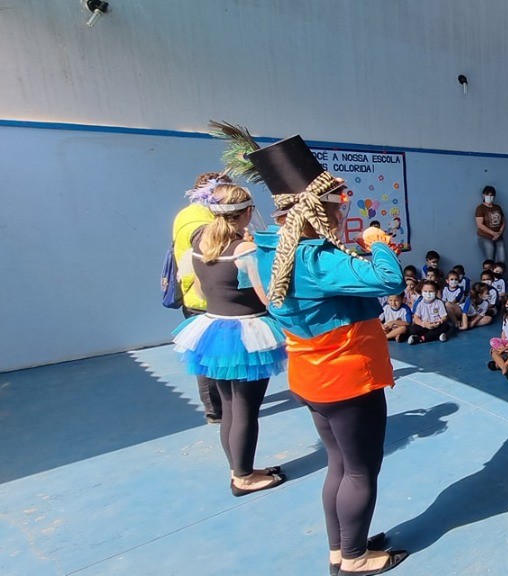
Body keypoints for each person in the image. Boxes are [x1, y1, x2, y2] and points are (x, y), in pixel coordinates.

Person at [222, 126, 408, 574]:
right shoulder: (315, 259)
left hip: (312, 375)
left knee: (339, 465)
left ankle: (343, 546)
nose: (342, 212)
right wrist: (379, 245)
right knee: (361, 471)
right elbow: (390, 280)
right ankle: (356, 560)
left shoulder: (266, 248)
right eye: (334, 206)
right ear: (316, 212)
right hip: (347, 375)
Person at [171, 180, 288, 496]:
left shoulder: (199, 246)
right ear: (246, 213)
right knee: (246, 409)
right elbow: (266, 297)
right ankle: (244, 478)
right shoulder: (245, 250)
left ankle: (240, 468)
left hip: (213, 330)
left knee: (229, 407)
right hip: (247, 333)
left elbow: (196, 287)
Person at [172, 171, 223, 423]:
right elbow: (210, 258)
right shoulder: (201, 223)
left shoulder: (186, 214)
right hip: (202, 299)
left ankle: (220, 403)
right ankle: (215, 409)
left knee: (210, 355)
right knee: (206, 357)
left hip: (196, 295)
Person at [475, 185, 507, 264]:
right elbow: (480, 225)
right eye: (487, 194)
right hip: (485, 237)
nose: (490, 197)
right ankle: (489, 275)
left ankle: (498, 275)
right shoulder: (480, 208)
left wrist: (499, 233)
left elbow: (503, 221)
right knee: (490, 259)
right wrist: (493, 233)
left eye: (492, 195)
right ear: (483, 195)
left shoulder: (497, 207)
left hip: (499, 237)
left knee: (501, 259)